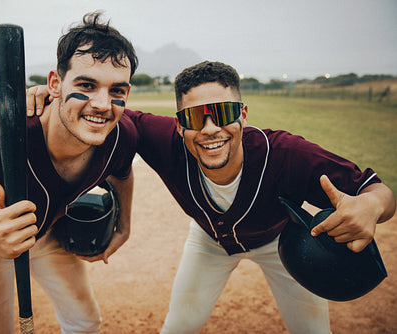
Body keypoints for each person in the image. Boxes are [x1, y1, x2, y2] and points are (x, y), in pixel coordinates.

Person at [27, 61, 395, 333]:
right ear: (177, 123)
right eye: (193, 117)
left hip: (279, 242)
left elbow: (377, 189)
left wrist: (373, 204)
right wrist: (55, 96)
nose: (210, 129)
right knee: (180, 325)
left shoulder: (284, 153)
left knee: (313, 331)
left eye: (222, 113)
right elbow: (109, 111)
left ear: (243, 115)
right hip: (208, 241)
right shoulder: (163, 139)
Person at [0, 12, 139, 334]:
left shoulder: (120, 135)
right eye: (86, 85)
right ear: (54, 85)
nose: (103, 104)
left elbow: (121, 172)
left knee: (85, 322)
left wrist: (125, 225)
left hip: (48, 233)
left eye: (117, 90)